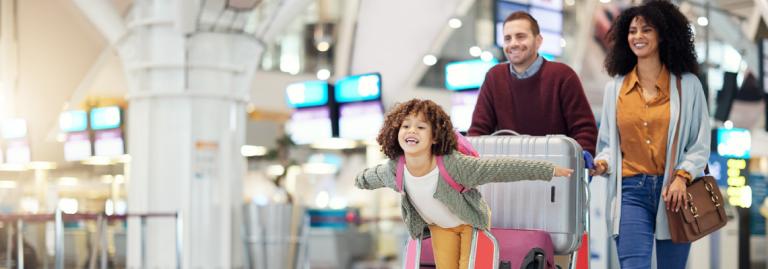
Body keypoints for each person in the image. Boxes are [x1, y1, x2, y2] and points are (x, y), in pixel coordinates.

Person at [355, 99, 572, 269]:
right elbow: (373, 176)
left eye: (421, 127)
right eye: (405, 126)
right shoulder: (395, 169)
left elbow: (500, 168)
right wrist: (359, 180)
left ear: (435, 137)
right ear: (396, 132)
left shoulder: (454, 165)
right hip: (440, 226)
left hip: (469, 223)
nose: (411, 130)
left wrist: (548, 169)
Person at [591, 1, 711, 268]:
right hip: (630, 192)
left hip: (675, 193)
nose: (638, 36)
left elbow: (700, 144)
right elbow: (609, 145)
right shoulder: (615, 89)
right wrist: (602, 164)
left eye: (646, 30)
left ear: (663, 35)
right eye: (632, 31)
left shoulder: (688, 86)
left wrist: (682, 176)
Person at [469, 11, 597, 155]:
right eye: (507, 38)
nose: (513, 44)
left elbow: (584, 130)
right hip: (508, 166)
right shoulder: (494, 77)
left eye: (520, 36)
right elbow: (478, 131)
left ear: (538, 41)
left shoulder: (563, 75)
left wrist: (582, 158)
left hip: (556, 165)